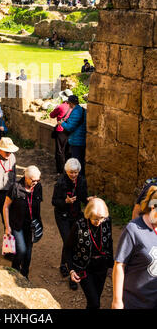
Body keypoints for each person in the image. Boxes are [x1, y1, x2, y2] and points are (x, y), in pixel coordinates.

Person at [112, 186, 157, 309]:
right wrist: (117, 301)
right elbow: (119, 265)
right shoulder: (133, 230)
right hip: (135, 302)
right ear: (153, 207)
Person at [65, 198, 114, 309]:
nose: (98, 222)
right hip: (84, 267)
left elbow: (109, 243)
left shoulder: (107, 221)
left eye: (101, 218)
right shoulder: (79, 225)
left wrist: (111, 265)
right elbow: (67, 249)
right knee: (95, 302)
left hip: (102, 267)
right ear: (88, 215)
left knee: (94, 300)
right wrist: (71, 270)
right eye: (95, 219)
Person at [52, 158, 90, 290]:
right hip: (62, 216)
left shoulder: (82, 180)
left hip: (76, 215)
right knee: (69, 241)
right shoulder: (61, 182)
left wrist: (88, 200)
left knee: (71, 242)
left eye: (76, 172)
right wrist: (65, 201)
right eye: (71, 172)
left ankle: (64, 264)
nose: (73, 175)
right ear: (66, 171)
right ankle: (72, 275)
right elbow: (54, 202)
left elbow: (83, 196)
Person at [3, 165, 42, 279]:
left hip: (31, 226)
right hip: (17, 225)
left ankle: (24, 276)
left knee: (28, 254)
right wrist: (7, 227)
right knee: (21, 250)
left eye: (37, 180)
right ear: (26, 177)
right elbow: (6, 207)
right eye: (33, 180)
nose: (36, 182)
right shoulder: (15, 187)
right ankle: (14, 272)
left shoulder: (38, 187)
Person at [59, 95, 86, 176]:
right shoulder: (80, 109)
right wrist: (66, 120)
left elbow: (71, 127)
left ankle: (78, 181)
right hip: (79, 139)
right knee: (79, 161)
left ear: (70, 103)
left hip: (77, 140)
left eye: (68, 102)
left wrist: (62, 123)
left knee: (77, 163)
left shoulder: (76, 111)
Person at [50, 89, 73, 175]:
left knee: (60, 151)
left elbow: (51, 115)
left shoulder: (60, 106)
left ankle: (60, 171)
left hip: (61, 131)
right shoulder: (74, 107)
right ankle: (69, 169)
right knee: (68, 151)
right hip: (70, 131)